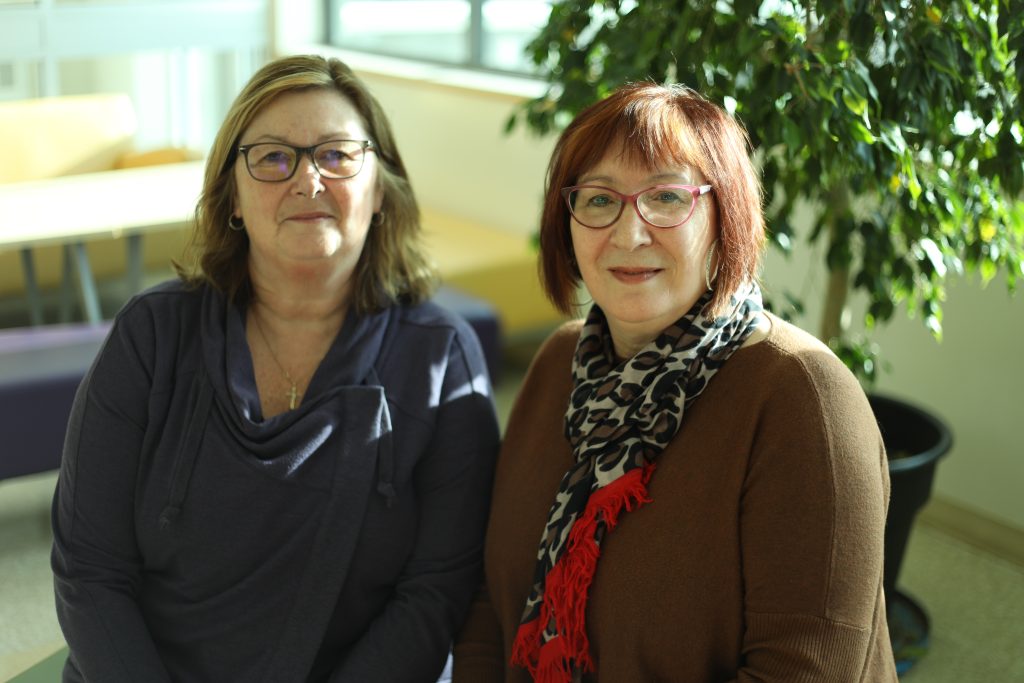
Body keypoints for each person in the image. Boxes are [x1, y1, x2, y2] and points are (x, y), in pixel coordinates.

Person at [51, 54, 500, 682]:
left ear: (380, 192)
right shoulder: (151, 335)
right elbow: (90, 572)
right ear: (233, 194)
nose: (308, 181)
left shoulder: (440, 356)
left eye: (338, 155)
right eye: (273, 157)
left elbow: (434, 592)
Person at [453, 83, 897, 682]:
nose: (630, 234)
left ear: (724, 218)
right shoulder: (559, 361)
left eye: (666, 197)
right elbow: (491, 600)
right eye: (599, 199)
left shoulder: (802, 397)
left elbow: (803, 669)